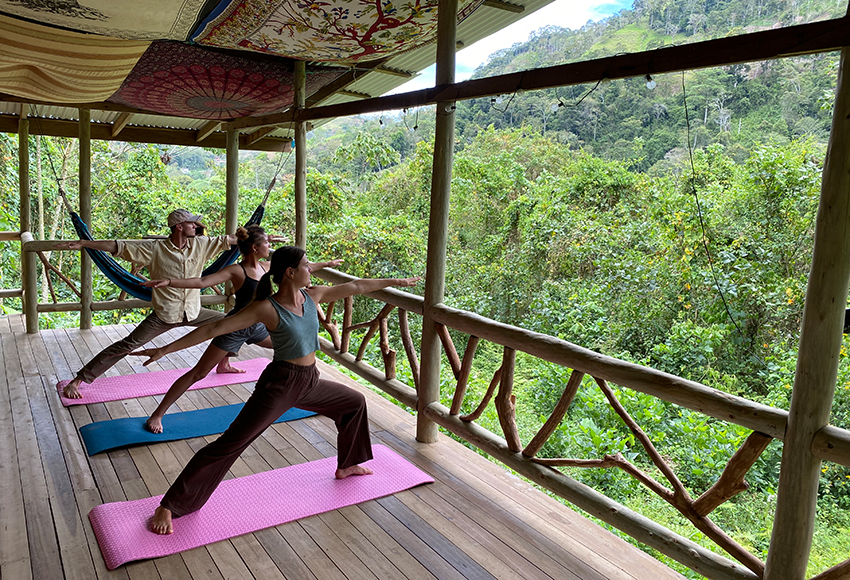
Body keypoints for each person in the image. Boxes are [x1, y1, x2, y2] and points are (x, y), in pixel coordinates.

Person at [131, 246, 420, 534]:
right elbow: (213, 329)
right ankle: (169, 505)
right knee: (231, 443)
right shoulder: (267, 308)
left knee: (353, 402)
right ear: (290, 272)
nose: (311, 269)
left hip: (309, 380)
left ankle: (347, 465)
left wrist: (396, 283)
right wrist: (165, 349)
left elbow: (355, 286)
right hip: (280, 384)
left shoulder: (311, 296)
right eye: (307, 265)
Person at [139, 225, 341, 433]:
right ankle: (158, 414)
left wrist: (328, 263)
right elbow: (202, 282)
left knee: (296, 345)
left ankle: (226, 365)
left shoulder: (267, 266)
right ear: (255, 247)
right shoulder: (237, 270)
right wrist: (169, 281)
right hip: (235, 329)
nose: (269, 245)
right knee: (198, 373)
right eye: (266, 243)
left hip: (259, 327)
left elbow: (303, 267)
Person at [55, 208, 236, 399]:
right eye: (192, 223)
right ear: (179, 227)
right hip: (165, 314)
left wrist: (263, 238)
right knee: (127, 345)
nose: (196, 226)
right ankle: (78, 380)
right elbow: (118, 246)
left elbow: (231, 239)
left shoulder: (201, 244)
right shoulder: (154, 248)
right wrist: (85, 242)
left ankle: (223, 363)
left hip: (193, 311)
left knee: (230, 323)